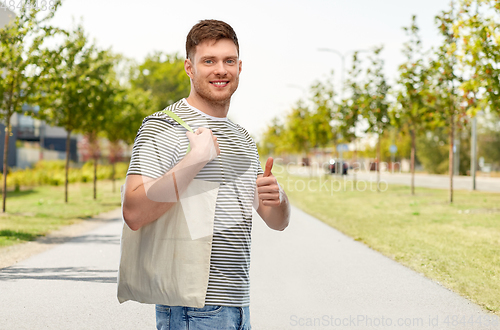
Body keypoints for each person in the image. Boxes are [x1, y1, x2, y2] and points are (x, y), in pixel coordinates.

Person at [122, 19, 291, 330]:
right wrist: (195, 159)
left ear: (240, 66)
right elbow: (133, 212)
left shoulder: (243, 138)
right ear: (189, 68)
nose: (221, 70)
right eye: (209, 61)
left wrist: (278, 199)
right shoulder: (163, 126)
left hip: (238, 304)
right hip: (192, 307)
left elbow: (276, 221)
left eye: (229, 61)